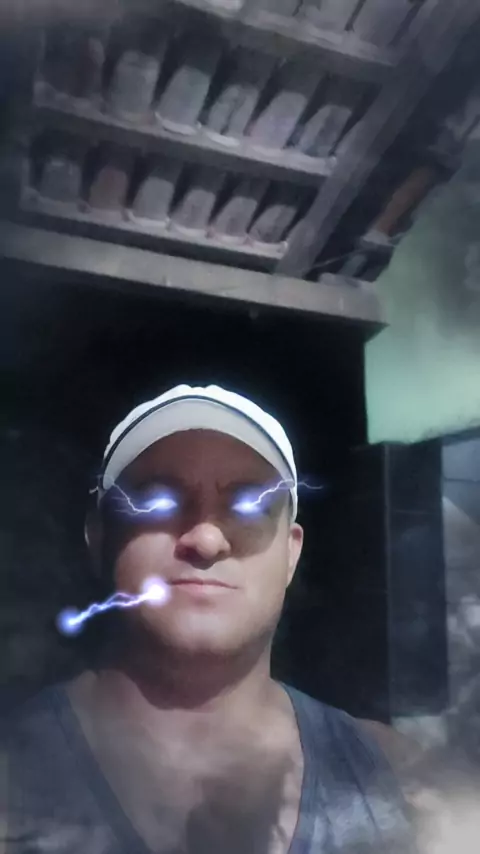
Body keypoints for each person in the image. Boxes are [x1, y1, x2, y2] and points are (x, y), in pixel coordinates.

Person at [2, 384, 417, 854]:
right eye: (157, 501)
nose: (206, 540)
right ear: (98, 537)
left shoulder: (403, 784)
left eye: (250, 505)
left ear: (291, 552)